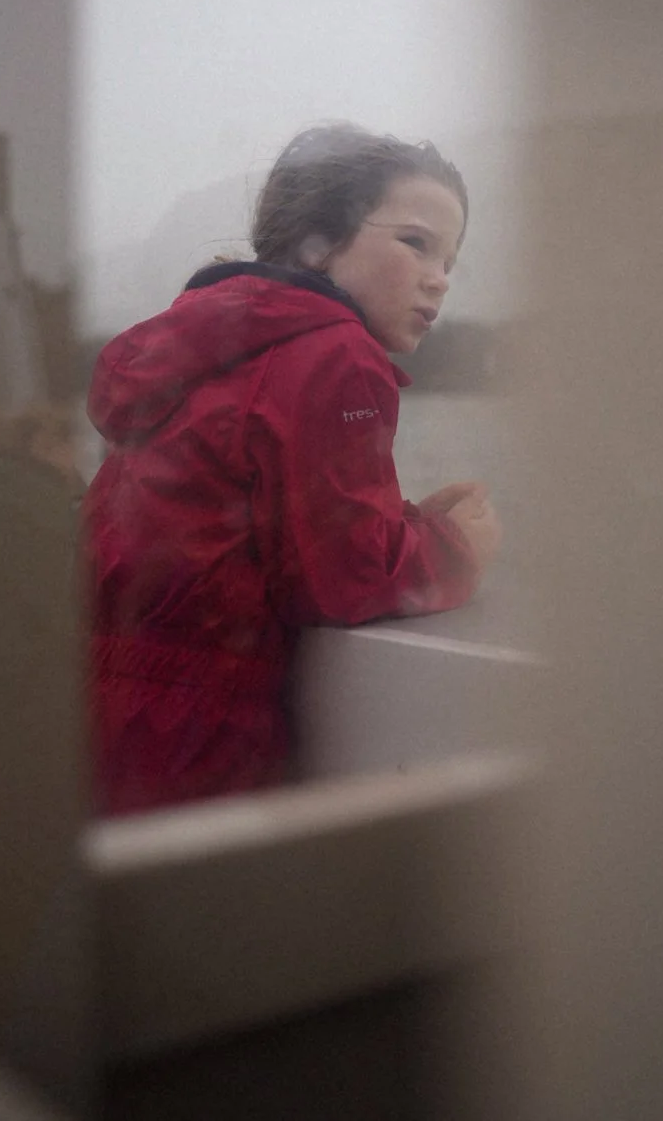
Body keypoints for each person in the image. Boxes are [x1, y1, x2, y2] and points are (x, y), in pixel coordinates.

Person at [84, 123, 501, 816]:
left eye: (451, 260)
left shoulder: (213, 341)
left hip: (102, 711)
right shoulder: (336, 352)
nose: (439, 278)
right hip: (198, 732)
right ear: (323, 238)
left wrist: (406, 523)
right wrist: (459, 546)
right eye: (415, 242)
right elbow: (343, 578)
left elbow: (252, 515)